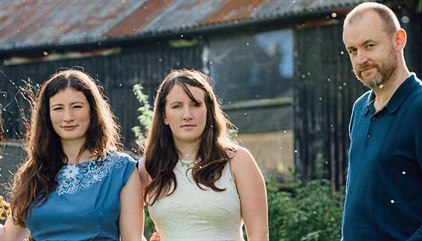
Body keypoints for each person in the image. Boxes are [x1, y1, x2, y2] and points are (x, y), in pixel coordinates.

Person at [341, 2, 422, 240]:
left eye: (369, 45)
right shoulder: (359, 109)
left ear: (399, 40)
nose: (361, 58)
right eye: (353, 50)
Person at [0, 69, 144, 241]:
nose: (68, 117)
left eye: (77, 106)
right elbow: (8, 237)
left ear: (93, 110)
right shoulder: (35, 172)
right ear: (47, 115)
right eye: (58, 108)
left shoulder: (122, 170)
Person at [138, 69, 269, 241]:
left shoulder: (238, 161)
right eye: (177, 106)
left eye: (195, 104)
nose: (187, 115)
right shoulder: (148, 167)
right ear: (164, 116)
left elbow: (259, 234)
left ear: (208, 110)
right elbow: (128, 231)